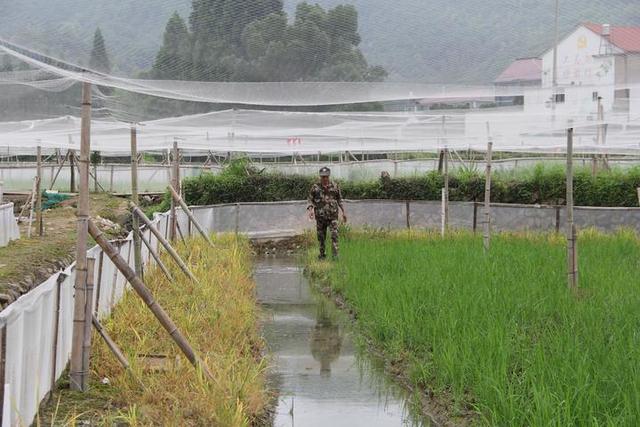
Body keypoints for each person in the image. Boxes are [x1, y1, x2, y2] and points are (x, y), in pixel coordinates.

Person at [307, 167, 347, 260]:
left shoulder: (335, 186)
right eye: (322, 177)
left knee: (335, 236)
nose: (324, 178)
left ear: (329, 176)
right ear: (320, 177)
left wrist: (344, 212)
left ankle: (335, 256)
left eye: (326, 177)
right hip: (320, 217)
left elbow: (339, 199)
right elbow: (310, 200)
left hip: (333, 216)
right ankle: (322, 256)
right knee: (321, 238)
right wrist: (311, 210)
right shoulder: (315, 187)